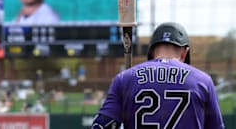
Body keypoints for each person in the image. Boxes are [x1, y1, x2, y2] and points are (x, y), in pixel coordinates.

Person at [91, 22, 224, 129]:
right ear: (185, 52)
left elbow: (101, 125)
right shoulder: (202, 81)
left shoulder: (124, 78)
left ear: (152, 51)